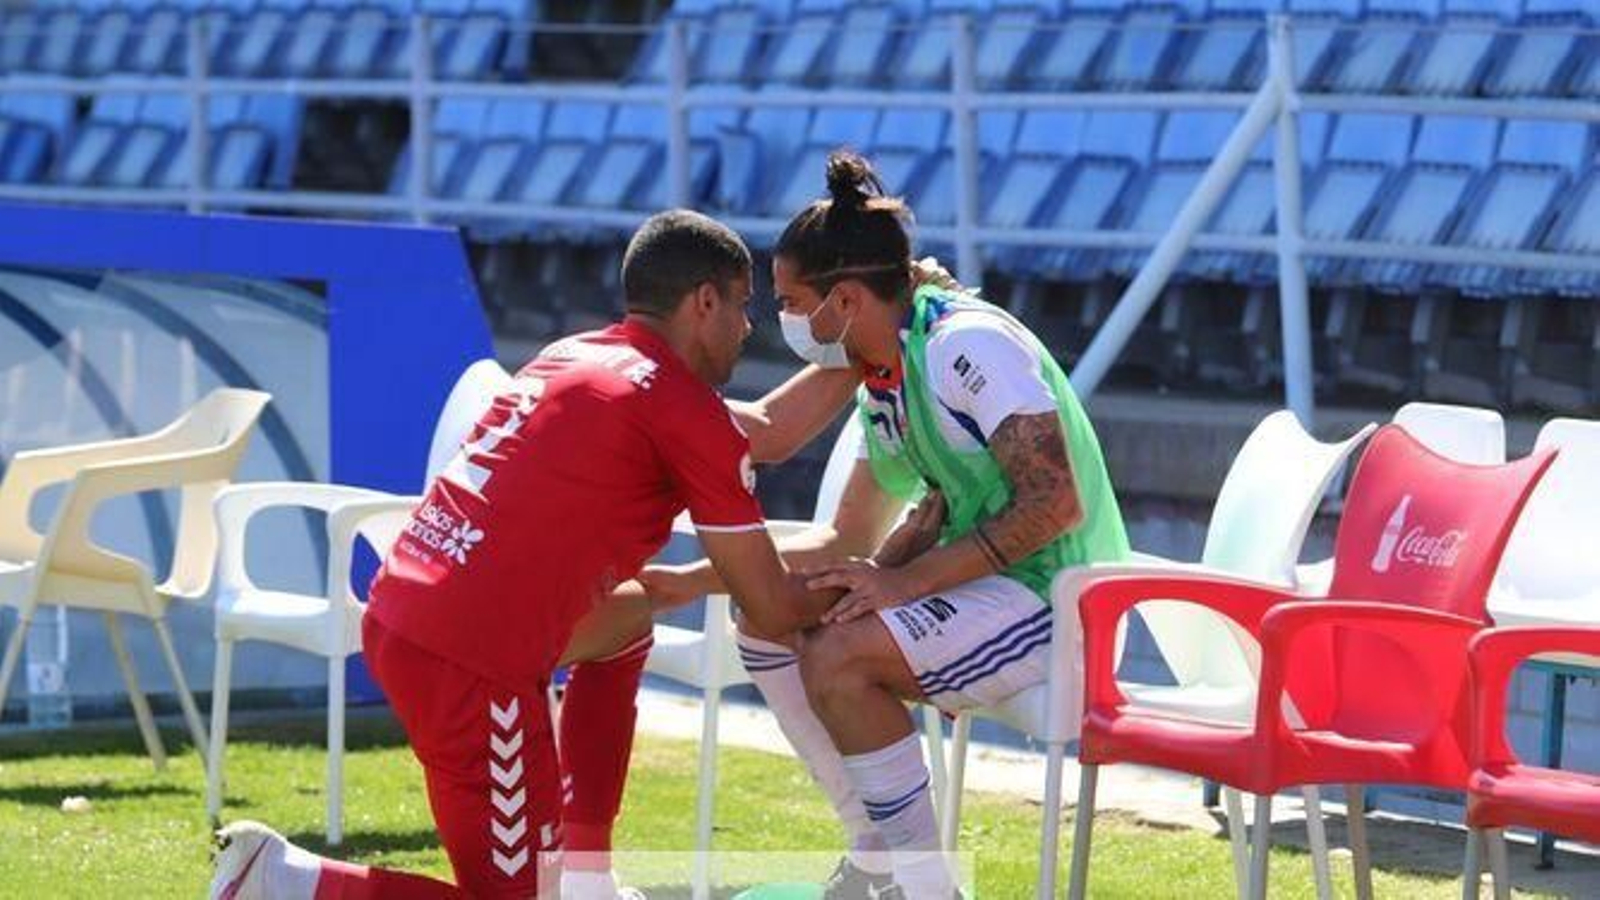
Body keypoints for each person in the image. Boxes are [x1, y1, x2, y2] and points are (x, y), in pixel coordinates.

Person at [209, 209, 853, 900]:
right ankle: (286, 881)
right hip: (474, 662)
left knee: (629, 623)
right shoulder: (679, 408)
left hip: (405, 612)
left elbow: (770, 430)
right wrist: (882, 581)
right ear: (703, 302)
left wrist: (867, 344)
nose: (748, 327)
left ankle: (586, 874)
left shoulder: (577, 355)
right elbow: (770, 606)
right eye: (742, 306)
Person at [640, 152, 1131, 899]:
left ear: (843, 300)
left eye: (791, 301)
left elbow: (1055, 504)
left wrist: (902, 580)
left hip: (1065, 604)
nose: (784, 322)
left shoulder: (966, 345)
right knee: (769, 617)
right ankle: (877, 851)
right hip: (993, 593)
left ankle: (921, 885)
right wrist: (686, 582)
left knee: (837, 654)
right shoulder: (884, 374)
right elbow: (843, 544)